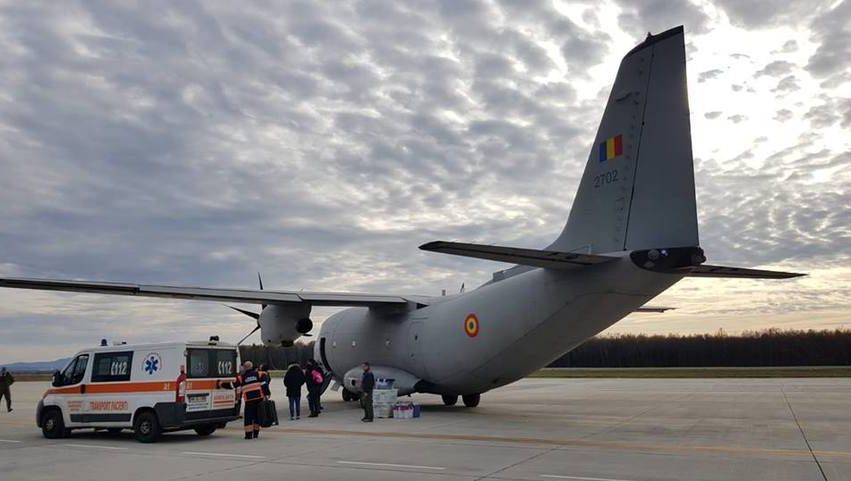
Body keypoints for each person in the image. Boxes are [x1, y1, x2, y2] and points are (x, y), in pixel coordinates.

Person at [218, 361, 268, 439]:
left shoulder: (241, 378)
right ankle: (255, 434)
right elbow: (264, 385)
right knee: (257, 417)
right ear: (252, 367)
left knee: (248, 417)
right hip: (259, 399)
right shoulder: (259, 374)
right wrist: (267, 394)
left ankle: (248, 435)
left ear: (244, 368)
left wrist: (221, 384)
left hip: (249, 400)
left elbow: (232, 385)